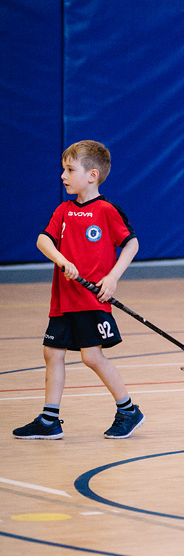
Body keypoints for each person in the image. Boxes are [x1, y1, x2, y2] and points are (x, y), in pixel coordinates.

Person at [13, 140, 143, 441]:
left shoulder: (107, 210)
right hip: (63, 299)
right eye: (64, 170)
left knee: (92, 357)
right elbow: (43, 240)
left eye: (70, 170)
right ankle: (49, 420)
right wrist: (62, 259)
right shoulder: (64, 210)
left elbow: (131, 244)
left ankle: (128, 410)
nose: (63, 175)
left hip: (89, 299)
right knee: (52, 353)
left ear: (92, 175)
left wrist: (112, 278)